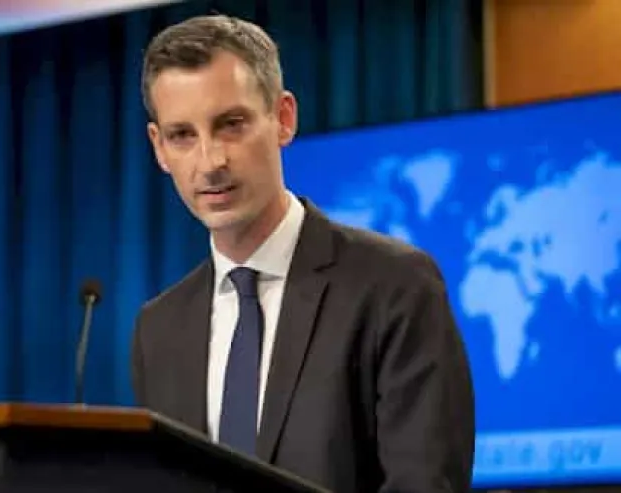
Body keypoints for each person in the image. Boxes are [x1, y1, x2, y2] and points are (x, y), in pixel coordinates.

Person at [130, 13, 475, 493]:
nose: (210, 162)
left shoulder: (396, 286)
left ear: (283, 118)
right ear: (159, 148)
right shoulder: (159, 329)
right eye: (182, 135)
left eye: (231, 124)